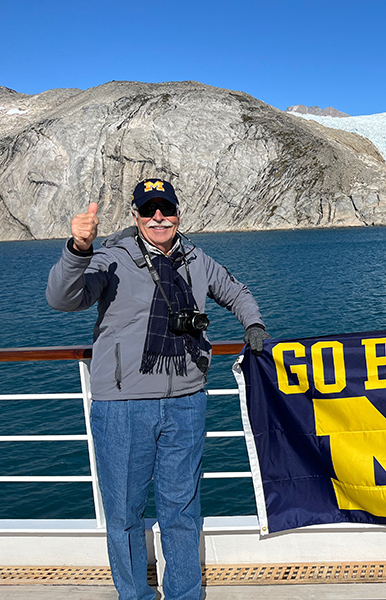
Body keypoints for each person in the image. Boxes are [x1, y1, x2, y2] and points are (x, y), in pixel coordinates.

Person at [46, 178, 271, 600]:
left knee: (182, 511)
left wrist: (253, 325)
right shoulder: (110, 257)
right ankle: (135, 595)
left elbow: (236, 292)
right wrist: (77, 249)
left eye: (165, 209)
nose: (158, 218)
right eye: (148, 210)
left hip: (187, 400)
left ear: (178, 214)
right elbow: (63, 298)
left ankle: (186, 594)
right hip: (123, 404)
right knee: (126, 514)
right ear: (135, 216)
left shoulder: (196, 259)